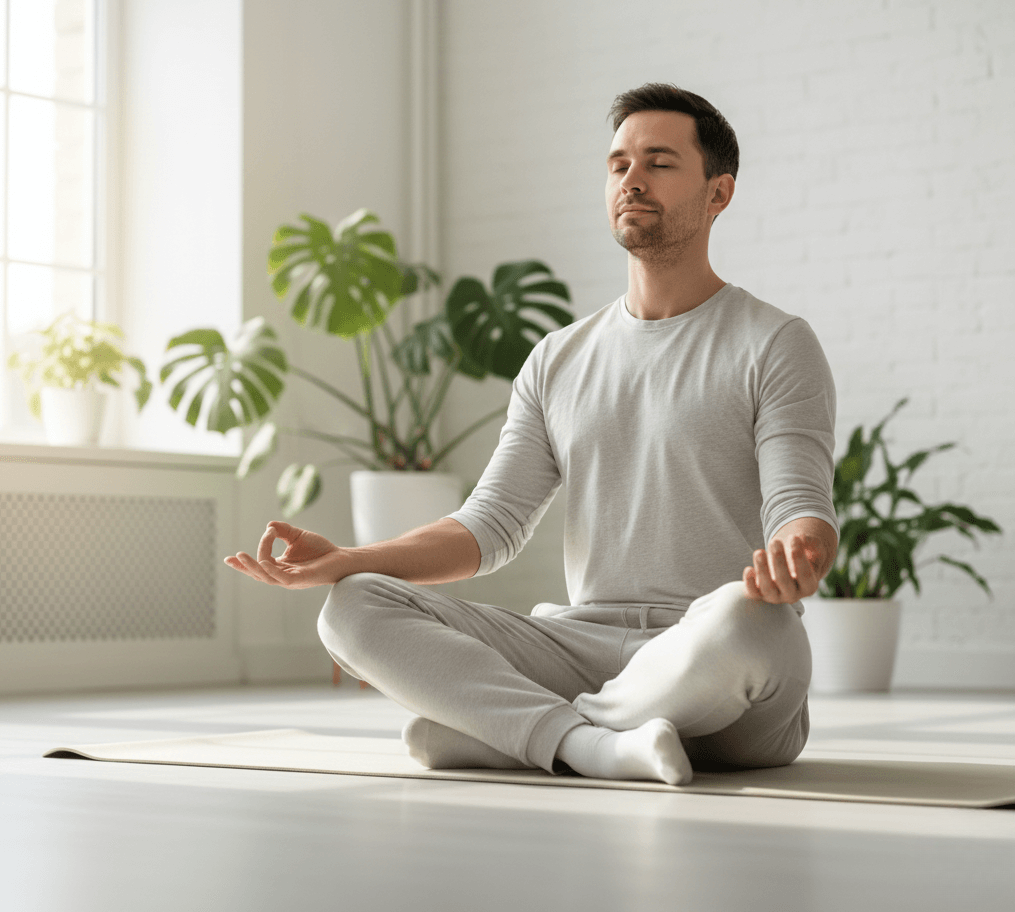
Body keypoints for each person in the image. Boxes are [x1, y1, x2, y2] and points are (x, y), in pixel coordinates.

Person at [225, 83, 839, 787]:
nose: (631, 179)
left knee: (748, 618)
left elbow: (800, 504)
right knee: (354, 606)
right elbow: (490, 526)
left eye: (659, 162)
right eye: (618, 164)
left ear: (718, 193)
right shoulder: (557, 358)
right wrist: (348, 559)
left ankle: (523, 729)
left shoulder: (775, 342)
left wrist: (803, 551)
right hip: (583, 642)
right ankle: (596, 746)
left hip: (717, 655)